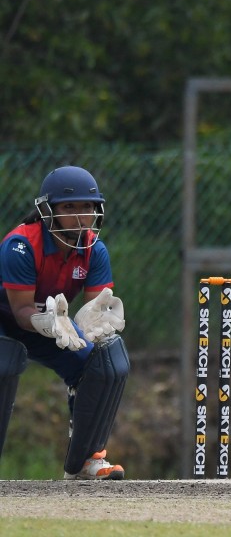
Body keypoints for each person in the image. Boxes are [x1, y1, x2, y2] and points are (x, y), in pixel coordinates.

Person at [0, 166, 130, 480]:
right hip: (9, 321)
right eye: (69, 207)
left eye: (87, 207)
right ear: (48, 211)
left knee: (104, 360)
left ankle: (87, 460)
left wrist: (93, 320)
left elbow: (96, 305)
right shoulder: (20, 246)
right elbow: (19, 311)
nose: (80, 215)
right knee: (5, 361)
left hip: (50, 324)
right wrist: (44, 321)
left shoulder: (94, 250)